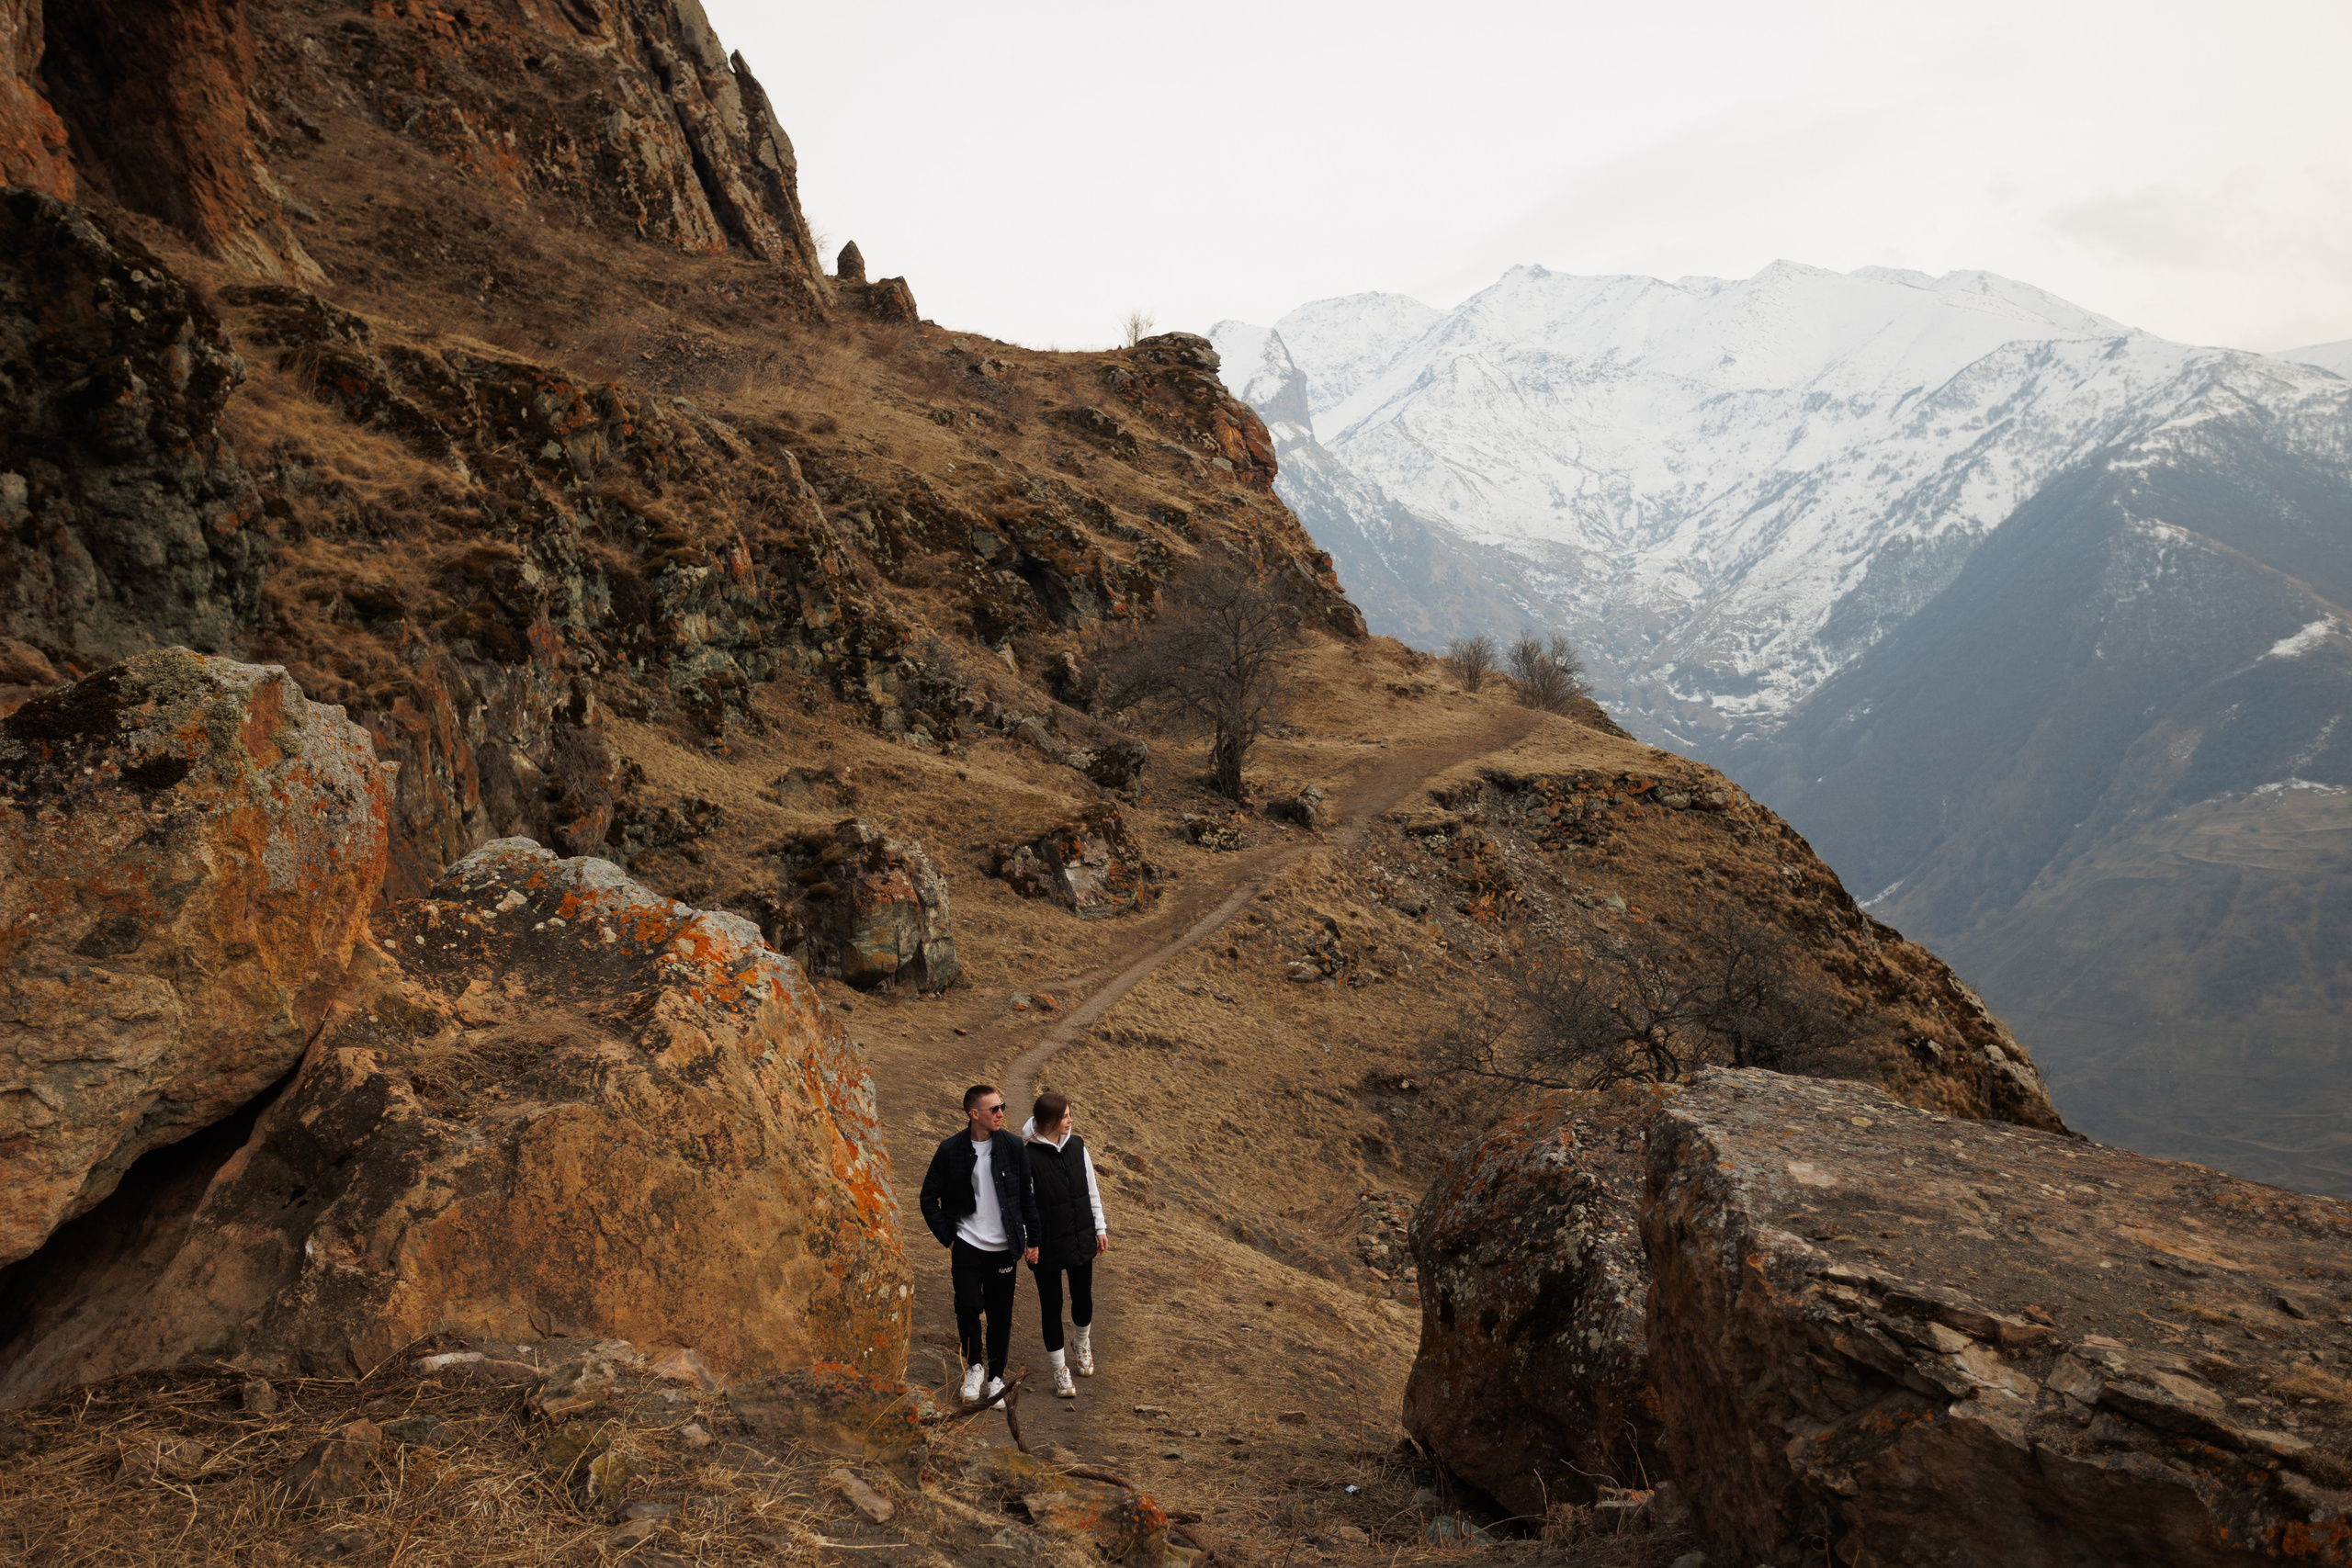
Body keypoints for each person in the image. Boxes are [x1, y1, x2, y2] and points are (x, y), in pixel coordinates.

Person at [919, 1084, 1039, 1406]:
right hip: (967, 1243)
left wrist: (1033, 1240)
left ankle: (996, 1377)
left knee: (1000, 1315)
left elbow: (1027, 1197)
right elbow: (928, 1197)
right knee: (968, 1306)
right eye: (994, 1109)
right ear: (974, 1114)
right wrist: (949, 1237)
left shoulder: (1013, 1147)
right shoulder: (950, 1149)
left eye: (1003, 1106)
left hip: (1004, 1247)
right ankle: (974, 1367)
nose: (1001, 1113)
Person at [1021, 1089, 1108, 1398]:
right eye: (1065, 1116)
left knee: (1082, 1298)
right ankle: (1059, 1369)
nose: (1070, 1121)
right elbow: (1024, 1204)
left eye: (1070, 1115)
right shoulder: (1027, 1157)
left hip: (1080, 1235)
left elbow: (1091, 1189)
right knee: (1052, 1306)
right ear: (1048, 1121)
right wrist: (1030, 1241)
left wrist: (1099, 1227)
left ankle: (1081, 1342)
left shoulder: (1078, 1146)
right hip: (1045, 1243)